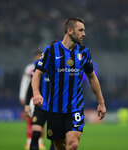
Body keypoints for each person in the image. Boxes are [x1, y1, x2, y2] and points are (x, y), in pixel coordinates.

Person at [32, 17, 106, 150]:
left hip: (75, 107)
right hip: (54, 108)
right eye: (81, 30)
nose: (84, 33)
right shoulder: (50, 51)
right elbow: (37, 74)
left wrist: (101, 102)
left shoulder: (84, 53)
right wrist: (36, 93)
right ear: (70, 30)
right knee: (59, 145)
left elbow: (92, 77)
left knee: (73, 145)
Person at [25, 50, 55, 150]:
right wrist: (26, 104)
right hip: (41, 105)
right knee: (36, 133)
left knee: (54, 138)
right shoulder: (40, 67)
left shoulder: (62, 70)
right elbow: (31, 86)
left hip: (55, 108)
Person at [19, 51, 46, 149]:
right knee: (30, 120)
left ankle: (40, 142)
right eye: (37, 56)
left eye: (40, 56)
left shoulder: (46, 66)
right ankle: (29, 141)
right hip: (32, 98)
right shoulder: (30, 68)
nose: (38, 58)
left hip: (42, 99)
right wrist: (23, 97)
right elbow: (26, 83)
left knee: (39, 122)